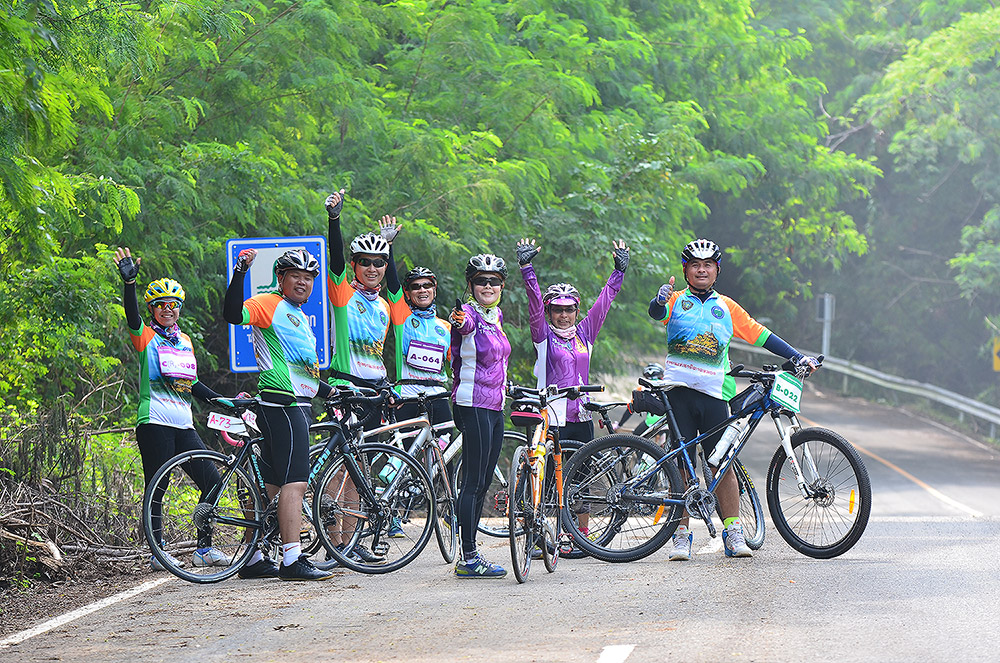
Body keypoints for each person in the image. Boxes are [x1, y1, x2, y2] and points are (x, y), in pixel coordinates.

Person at [648, 238, 818, 561]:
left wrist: (796, 356)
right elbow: (657, 313)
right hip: (678, 395)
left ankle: (733, 531)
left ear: (716, 270)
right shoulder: (675, 300)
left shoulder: (726, 306)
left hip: (715, 395)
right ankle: (681, 536)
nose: (701, 270)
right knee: (681, 467)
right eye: (695, 265)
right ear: (685, 270)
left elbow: (760, 334)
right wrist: (658, 300)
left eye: (707, 265)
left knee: (722, 465)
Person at [111, 247, 228, 571]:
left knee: (212, 481)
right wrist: (129, 285)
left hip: (184, 425)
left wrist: (221, 401)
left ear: (179, 309)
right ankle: (158, 552)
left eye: (173, 305)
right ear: (152, 309)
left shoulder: (185, 341)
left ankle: (204, 548)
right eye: (161, 304)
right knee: (157, 487)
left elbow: (192, 382)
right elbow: (132, 317)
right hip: (155, 422)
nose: (168, 309)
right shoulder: (145, 337)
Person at [224, 247, 336, 581]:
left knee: (272, 485)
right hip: (284, 404)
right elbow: (232, 314)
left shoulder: (297, 315)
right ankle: (292, 559)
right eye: (295, 276)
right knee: (296, 482)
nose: (303, 282)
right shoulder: (268, 303)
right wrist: (241, 272)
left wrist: (331, 392)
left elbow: (302, 371)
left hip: (293, 402)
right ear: (280, 278)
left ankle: (254, 557)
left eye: (308, 278)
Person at [325, 189, 410, 546]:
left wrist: (390, 248)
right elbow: (334, 262)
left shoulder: (387, 306)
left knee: (359, 467)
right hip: (346, 389)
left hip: (375, 393)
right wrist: (334, 220)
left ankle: (351, 543)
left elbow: (397, 292)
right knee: (339, 468)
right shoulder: (343, 295)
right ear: (354, 265)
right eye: (365, 262)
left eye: (379, 262)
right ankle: (335, 543)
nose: (373, 268)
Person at [515, 238, 629, 441]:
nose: (564, 315)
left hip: (583, 415)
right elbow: (534, 302)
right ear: (548, 312)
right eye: (557, 310)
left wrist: (618, 273)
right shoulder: (543, 335)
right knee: (551, 464)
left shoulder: (585, 333)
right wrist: (527, 269)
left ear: (577, 311)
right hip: (552, 417)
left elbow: (603, 303)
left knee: (585, 463)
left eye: (569, 309)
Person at [449, 253, 511, 578]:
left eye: (494, 281)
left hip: (495, 405)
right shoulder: (469, 314)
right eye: (481, 281)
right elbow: (463, 324)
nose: (488, 286)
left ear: (502, 286)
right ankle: (468, 557)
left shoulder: (496, 315)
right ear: (471, 285)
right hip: (472, 403)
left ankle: (470, 552)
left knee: (485, 480)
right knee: (473, 482)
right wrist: (458, 318)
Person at [392, 266, 453, 428]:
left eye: (427, 285)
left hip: (438, 395)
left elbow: (460, 364)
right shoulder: (401, 317)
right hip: (407, 394)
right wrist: (388, 253)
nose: (422, 290)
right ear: (407, 293)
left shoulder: (446, 327)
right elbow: (392, 286)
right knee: (408, 445)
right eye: (415, 286)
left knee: (444, 443)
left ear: (434, 290)